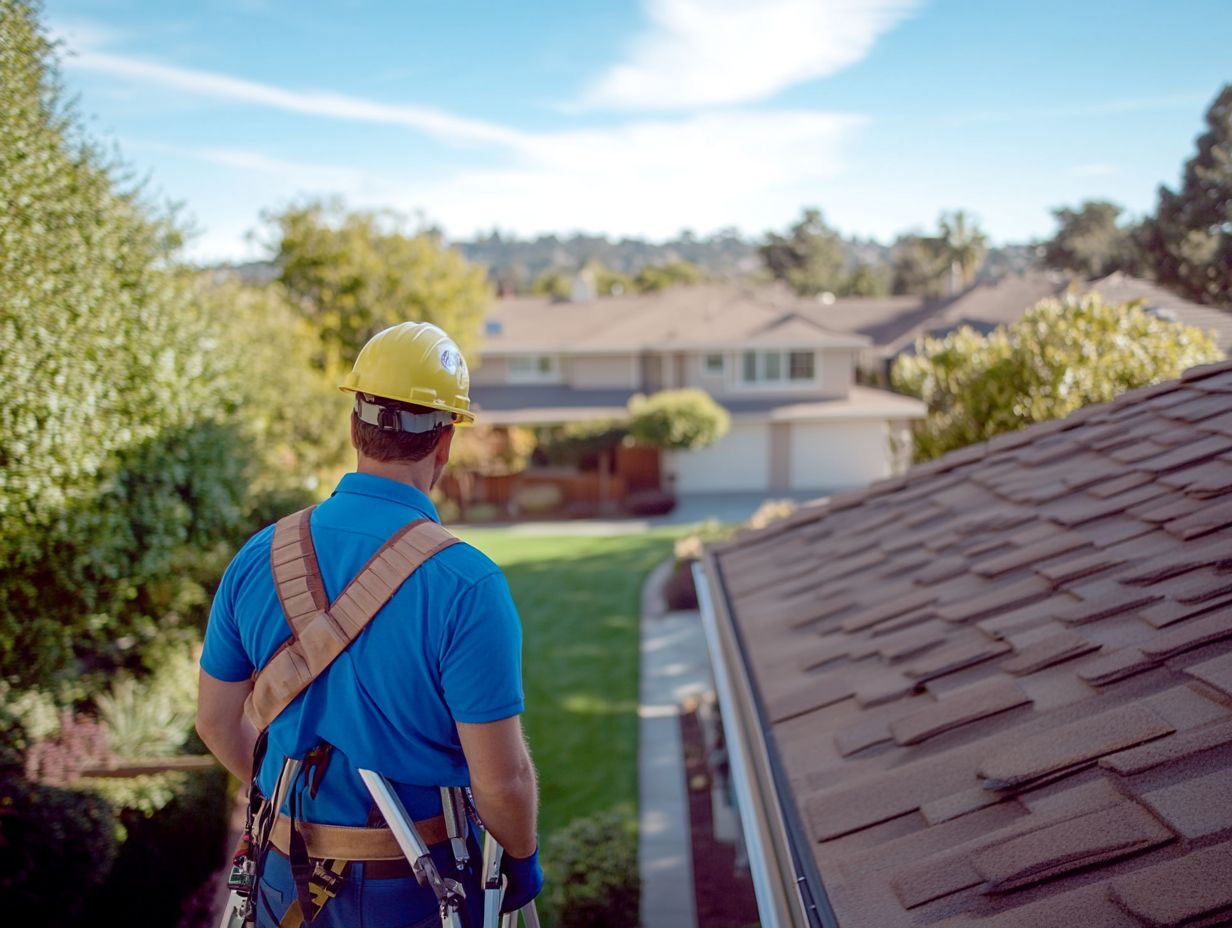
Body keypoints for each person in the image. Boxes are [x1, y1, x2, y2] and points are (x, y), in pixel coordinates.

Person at [196, 321, 541, 928]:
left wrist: (294, 809)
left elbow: (217, 721)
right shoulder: (467, 585)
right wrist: (521, 857)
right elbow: (502, 779)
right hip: (416, 892)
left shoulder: (259, 556)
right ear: (445, 444)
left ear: (355, 426)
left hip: (284, 887)